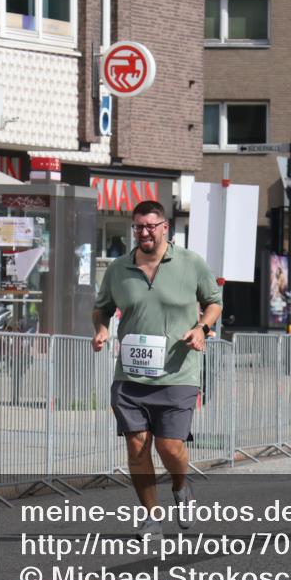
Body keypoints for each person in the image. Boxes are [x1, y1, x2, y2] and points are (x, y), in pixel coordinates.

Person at [92, 200, 222, 536]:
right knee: (136, 445)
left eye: (151, 225)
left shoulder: (190, 263)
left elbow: (213, 302)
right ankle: (151, 517)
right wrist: (102, 329)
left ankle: (181, 487)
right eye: (139, 226)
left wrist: (202, 329)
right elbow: (102, 307)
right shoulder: (119, 268)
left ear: (165, 227)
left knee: (169, 446)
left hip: (178, 372)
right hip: (131, 375)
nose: (145, 232)